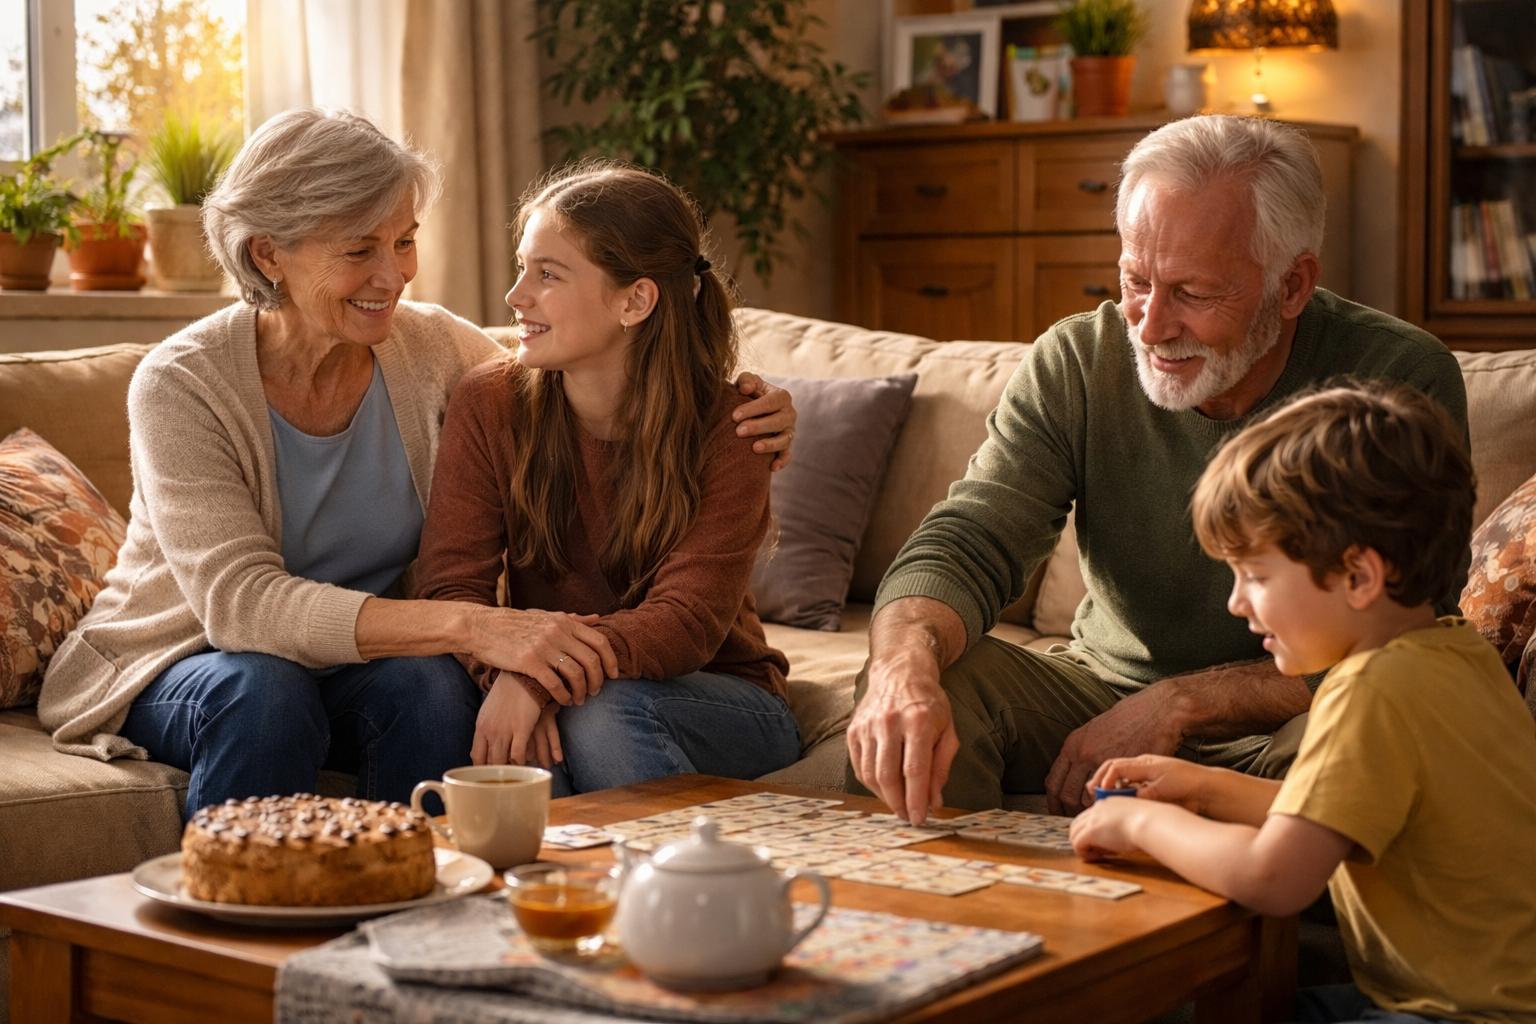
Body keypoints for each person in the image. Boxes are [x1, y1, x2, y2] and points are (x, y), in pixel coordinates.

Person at [37, 110, 797, 818]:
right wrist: (480, 629)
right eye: (359, 249)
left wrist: (760, 412)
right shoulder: (183, 383)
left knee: (431, 687)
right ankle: (230, 932)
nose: (394, 275)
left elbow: (590, 378)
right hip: (198, 657)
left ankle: (426, 911)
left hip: (369, 661)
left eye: (403, 240)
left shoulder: (431, 350)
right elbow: (241, 607)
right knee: (267, 690)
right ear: (269, 253)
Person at [846, 114, 1470, 823]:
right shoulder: (1079, 361)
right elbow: (970, 538)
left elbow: (1408, 634)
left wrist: (1185, 702)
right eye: (1136, 280)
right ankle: (946, 924)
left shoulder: (1396, 377)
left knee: (1370, 738)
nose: (1149, 326)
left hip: (1287, 720)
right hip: (1094, 695)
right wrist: (904, 666)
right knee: (918, 681)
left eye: (1193, 293)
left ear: (1292, 286)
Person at [1070, 382, 1536, 1024]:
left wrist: (1139, 824)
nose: (1237, 602)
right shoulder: (1457, 657)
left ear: (1359, 576)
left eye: (1256, 576)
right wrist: (1203, 787)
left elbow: (1276, 879)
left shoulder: (1368, 689)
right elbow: (1342, 815)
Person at [413, 163, 801, 796]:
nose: (515, 296)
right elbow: (451, 585)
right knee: (518, 725)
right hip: (571, 685)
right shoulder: (489, 402)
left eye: (548, 274)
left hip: (722, 698)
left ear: (634, 301)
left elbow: (684, 623)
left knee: (602, 710)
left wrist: (538, 679)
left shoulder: (735, 426)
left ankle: (675, 892)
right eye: (521, 267)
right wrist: (509, 675)